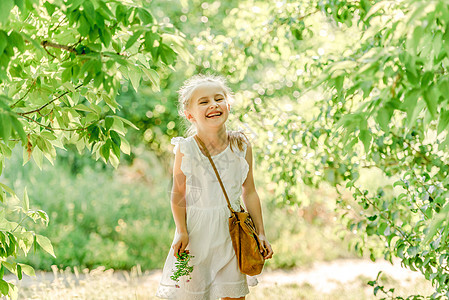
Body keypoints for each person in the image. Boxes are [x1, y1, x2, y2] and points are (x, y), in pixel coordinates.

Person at [155, 74, 273, 300]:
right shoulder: (186, 149)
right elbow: (178, 194)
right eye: (204, 102)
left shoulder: (241, 145)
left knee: (234, 295)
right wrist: (181, 230)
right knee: (193, 294)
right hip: (197, 234)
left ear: (228, 105)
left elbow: (250, 191)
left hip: (233, 232)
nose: (213, 104)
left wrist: (261, 233)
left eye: (219, 99)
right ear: (190, 115)